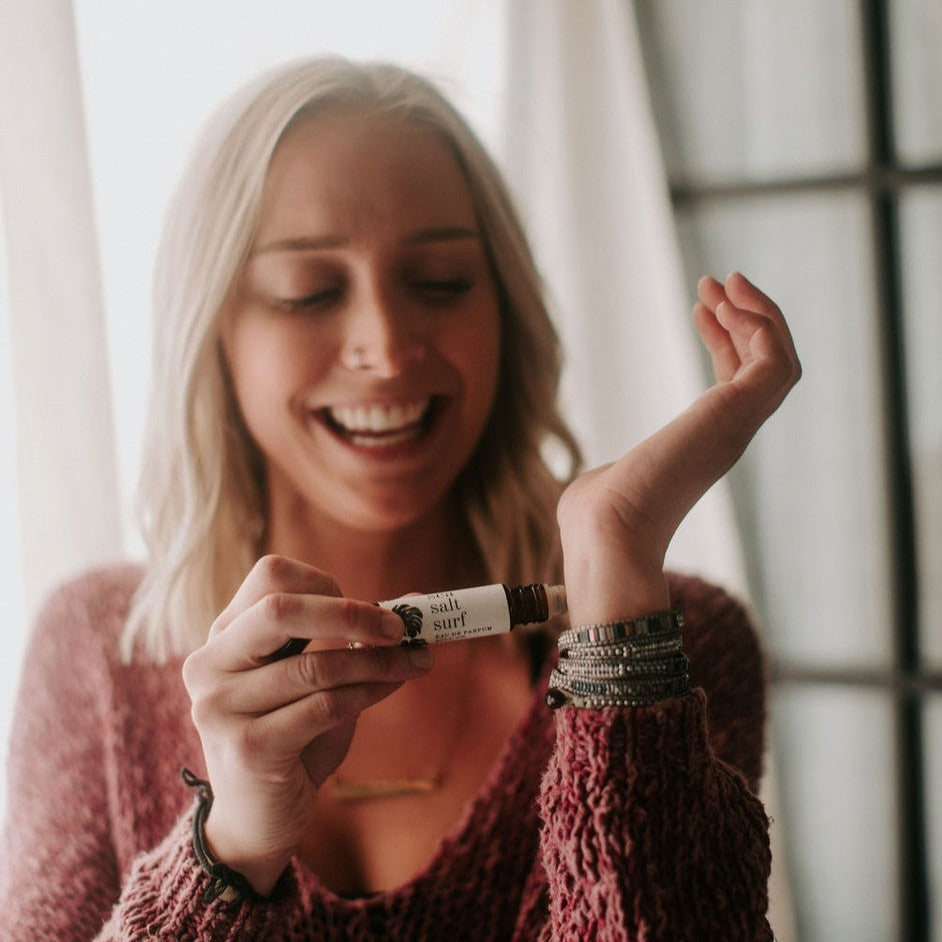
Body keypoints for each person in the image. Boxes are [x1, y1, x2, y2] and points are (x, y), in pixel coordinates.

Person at [0, 57, 800, 941]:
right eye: (310, 292)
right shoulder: (95, 649)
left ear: (508, 311)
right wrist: (227, 854)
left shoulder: (672, 640)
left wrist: (618, 625)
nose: (384, 344)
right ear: (215, 334)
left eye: (441, 282)